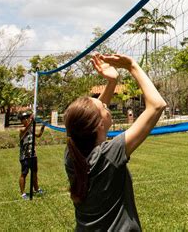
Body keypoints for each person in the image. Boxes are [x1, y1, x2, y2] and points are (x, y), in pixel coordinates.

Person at [63, 53, 166, 231]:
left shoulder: (72, 153)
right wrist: (132, 65)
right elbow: (157, 105)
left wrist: (112, 82)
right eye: (103, 107)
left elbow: (90, 115)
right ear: (99, 124)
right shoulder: (109, 154)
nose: (105, 104)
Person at [19, 111, 45, 199]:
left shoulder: (30, 129)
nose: (26, 120)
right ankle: (23, 193)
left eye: (27, 118)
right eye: (24, 119)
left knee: (34, 173)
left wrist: (43, 127)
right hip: (25, 156)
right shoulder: (22, 130)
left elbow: (38, 135)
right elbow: (26, 128)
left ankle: (36, 189)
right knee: (24, 173)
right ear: (21, 121)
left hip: (33, 155)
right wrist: (32, 120)